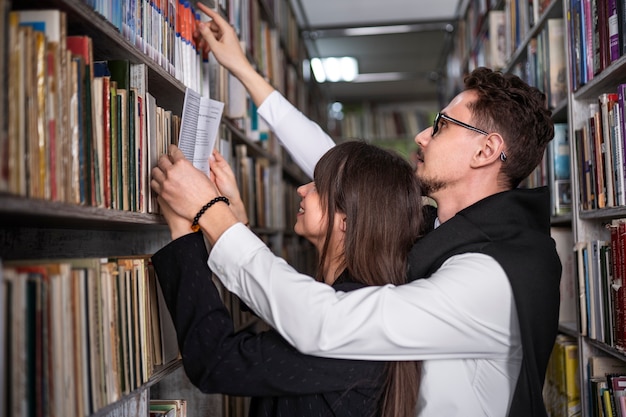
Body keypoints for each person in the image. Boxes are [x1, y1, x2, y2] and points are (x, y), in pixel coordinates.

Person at [150, 4, 562, 416]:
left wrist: (212, 213)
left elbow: (325, 322)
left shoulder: (491, 274)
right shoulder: (440, 229)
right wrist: (244, 70)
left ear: (486, 150)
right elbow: (343, 171)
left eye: (441, 125)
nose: (421, 136)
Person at [151, 141, 423, 417]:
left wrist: (185, 233)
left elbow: (216, 361)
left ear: (347, 221)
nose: (301, 189)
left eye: (317, 186)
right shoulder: (354, 298)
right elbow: (284, 307)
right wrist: (233, 220)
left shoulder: (353, 325)